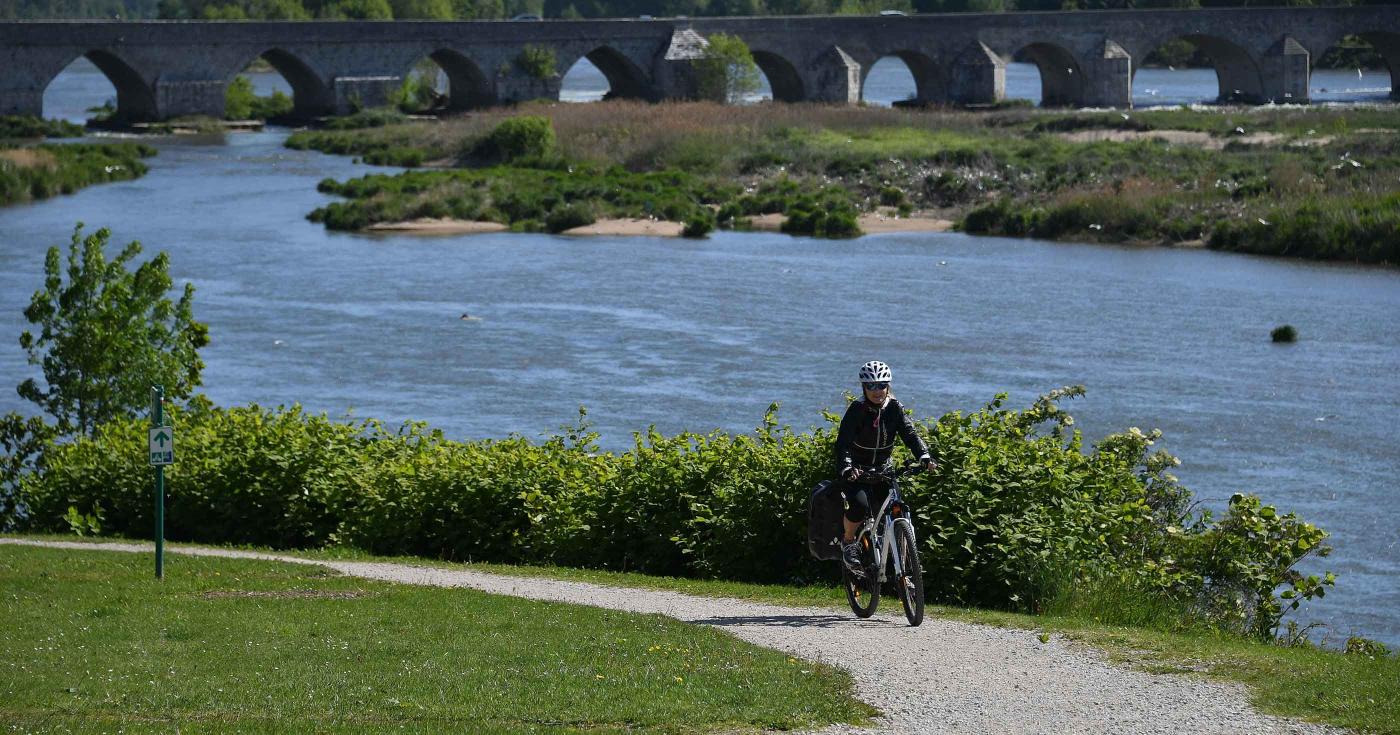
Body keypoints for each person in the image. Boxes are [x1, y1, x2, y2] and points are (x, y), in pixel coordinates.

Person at [834, 360, 935, 573]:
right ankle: (849, 542)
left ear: (888, 386)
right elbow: (843, 443)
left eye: (881, 385)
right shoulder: (857, 410)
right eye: (871, 386)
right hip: (857, 472)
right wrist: (846, 467)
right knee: (859, 507)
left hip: (883, 471)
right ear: (864, 387)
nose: (877, 390)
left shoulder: (895, 409)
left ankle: (908, 566)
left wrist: (924, 455)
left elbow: (910, 434)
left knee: (897, 511)